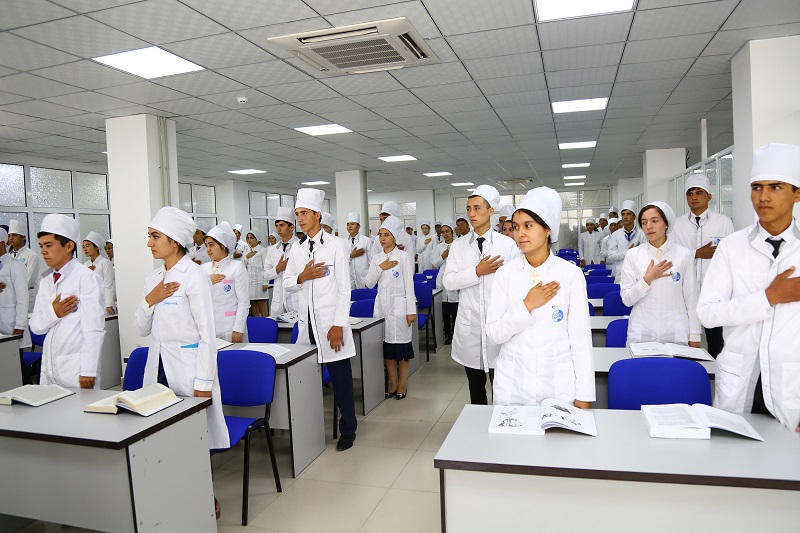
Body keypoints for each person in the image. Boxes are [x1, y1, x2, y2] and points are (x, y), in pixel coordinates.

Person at [133, 206, 228, 518]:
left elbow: (207, 335)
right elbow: (141, 328)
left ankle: (203, 497)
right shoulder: (153, 278)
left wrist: (203, 384)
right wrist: (151, 299)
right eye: (150, 236)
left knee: (192, 442)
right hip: (158, 368)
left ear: (174, 242)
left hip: (188, 372)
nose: (149, 243)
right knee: (161, 438)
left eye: (155, 236)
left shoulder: (195, 276)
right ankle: (167, 498)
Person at [698, 143, 800, 432]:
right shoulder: (732, 247)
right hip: (740, 382)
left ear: (797, 194)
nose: (764, 196)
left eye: (776, 187)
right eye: (757, 187)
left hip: (792, 387)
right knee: (734, 466)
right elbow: (707, 314)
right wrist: (768, 298)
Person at [486, 188, 594, 406]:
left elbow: (580, 339)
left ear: (547, 230)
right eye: (516, 227)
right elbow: (494, 333)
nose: (520, 233)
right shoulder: (504, 274)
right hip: (513, 384)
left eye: (528, 226)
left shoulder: (570, 274)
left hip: (557, 384)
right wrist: (526, 305)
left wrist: (584, 394)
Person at [284, 188, 358, 451]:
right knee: (305, 380)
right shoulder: (297, 249)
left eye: (304, 213)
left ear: (317, 214)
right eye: (297, 214)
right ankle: (309, 429)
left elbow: (344, 289)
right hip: (307, 325)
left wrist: (339, 323)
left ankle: (348, 429)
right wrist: (301, 276)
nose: (300, 219)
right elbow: (287, 282)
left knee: (341, 381)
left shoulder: (336, 245)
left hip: (330, 325)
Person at [443, 185, 519, 404]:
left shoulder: (508, 245)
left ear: (490, 211)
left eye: (477, 208)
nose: (471, 213)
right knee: (475, 390)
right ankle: (478, 432)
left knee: (502, 389)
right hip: (471, 328)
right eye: (468, 208)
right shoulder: (458, 246)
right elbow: (448, 282)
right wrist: (476, 272)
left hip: (499, 328)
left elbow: (516, 286)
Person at [30, 214, 104, 388]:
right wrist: (54, 312)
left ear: (69, 246)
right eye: (41, 246)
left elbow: (94, 329)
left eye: (49, 245)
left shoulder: (86, 278)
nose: (43, 251)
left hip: (76, 369)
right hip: (49, 369)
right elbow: (35, 327)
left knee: (80, 414)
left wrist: (89, 370)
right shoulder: (46, 282)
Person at [620, 202, 700, 346]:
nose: (649, 226)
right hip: (642, 330)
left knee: (675, 369)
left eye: (655, 221)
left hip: (675, 330)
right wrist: (647, 279)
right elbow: (626, 299)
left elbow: (691, 299)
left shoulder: (683, 254)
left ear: (666, 224)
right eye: (644, 223)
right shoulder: (633, 255)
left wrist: (694, 336)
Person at [672, 174, 734, 357]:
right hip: (685, 293)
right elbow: (673, 256)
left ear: (709, 196)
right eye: (690, 193)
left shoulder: (724, 223)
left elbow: (730, 258)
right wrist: (697, 253)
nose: (694, 197)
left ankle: (716, 379)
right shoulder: (677, 225)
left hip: (714, 294)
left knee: (716, 343)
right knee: (686, 342)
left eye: (699, 192)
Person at [365, 215, 416, 399]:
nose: (382, 238)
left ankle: (403, 384)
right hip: (382, 308)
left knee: (401, 349)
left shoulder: (404, 257)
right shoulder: (376, 258)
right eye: (380, 234)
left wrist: (411, 311)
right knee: (387, 348)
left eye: (386, 234)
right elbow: (369, 283)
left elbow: (409, 285)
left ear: (395, 237)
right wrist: (381, 267)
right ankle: (393, 384)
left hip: (400, 307)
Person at [202, 222, 249, 343]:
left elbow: (243, 302)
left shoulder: (237, 267)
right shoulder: (204, 268)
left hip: (230, 327)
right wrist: (206, 281)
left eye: (211, 245)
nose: (208, 249)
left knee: (233, 360)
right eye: (206, 245)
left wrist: (238, 329)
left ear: (223, 246)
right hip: (209, 328)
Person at [0, 227, 31, 352]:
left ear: (2, 243)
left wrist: (20, 324)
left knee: (16, 366)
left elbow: (22, 297)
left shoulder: (15, 265)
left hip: (11, 325)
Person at [266, 207, 300, 317]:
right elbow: (265, 275)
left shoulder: (301, 247)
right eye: (276, 226)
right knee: (278, 331)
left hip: (296, 299)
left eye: (282, 225)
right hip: (278, 301)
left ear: (292, 227)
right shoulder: (272, 249)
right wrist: (278, 268)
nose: (278, 229)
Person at [432, 219, 458, 344]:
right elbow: (434, 263)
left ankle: (456, 335)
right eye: (443, 232)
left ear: (452, 231)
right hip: (442, 279)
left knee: (456, 310)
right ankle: (448, 334)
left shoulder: (459, 244)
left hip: (455, 278)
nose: (445, 234)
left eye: (447, 231)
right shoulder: (439, 247)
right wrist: (443, 255)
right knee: (445, 311)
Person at [607, 200, 647, 282]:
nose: (625, 217)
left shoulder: (642, 234)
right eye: (623, 214)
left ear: (634, 217)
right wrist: (628, 252)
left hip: (638, 275)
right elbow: (610, 255)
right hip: (621, 276)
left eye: (628, 214)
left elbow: (646, 254)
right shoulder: (616, 235)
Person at [7, 219, 42, 313]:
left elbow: (28, 280)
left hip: (27, 297)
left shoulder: (31, 256)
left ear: (23, 237)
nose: (11, 238)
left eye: (14, 235)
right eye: (9, 235)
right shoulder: (8, 256)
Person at [82, 231, 116, 314]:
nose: (85, 249)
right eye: (83, 247)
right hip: (89, 304)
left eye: (87, 246)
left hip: (103, 304)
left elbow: (108, 285)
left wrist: (109, 304)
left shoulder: (105, 263)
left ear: (96, 247)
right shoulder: (85, 265)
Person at [242, 228, 269, 317]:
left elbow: (267, 267)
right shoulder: (247, 250)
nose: (249, 240)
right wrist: (247, 257)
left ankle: (265, 322)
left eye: (252, 238)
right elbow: (242, 264)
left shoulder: (263, 250)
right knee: (253, 303)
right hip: (250, 282)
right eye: (248, 238)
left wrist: (266, 282)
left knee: (261, 302)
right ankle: (257, 323)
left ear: (257, 239)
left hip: (260, 281)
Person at [346, 212, 372, 289]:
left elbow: (372, 262)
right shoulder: (343, 242)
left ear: (359, 226)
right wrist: (351, 256)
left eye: (352, 224)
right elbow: (341, 261)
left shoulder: (366, 241)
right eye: (348, 224)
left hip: (364, 279)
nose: (350, 226)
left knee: (363, 299)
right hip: (349, 280)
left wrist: (370, 281)